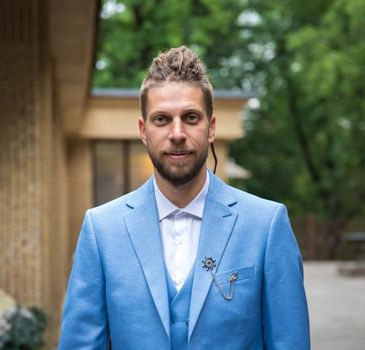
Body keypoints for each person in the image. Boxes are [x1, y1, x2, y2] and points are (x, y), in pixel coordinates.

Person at [58, 46, 310, 350]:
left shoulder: (266, 225)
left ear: (211, 127)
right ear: (143, 131)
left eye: (190, 117)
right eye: (162, 119)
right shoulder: (101, 231)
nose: (177, 133)